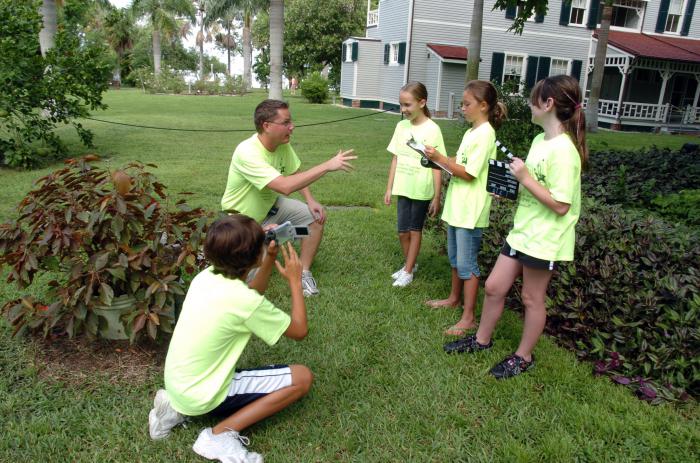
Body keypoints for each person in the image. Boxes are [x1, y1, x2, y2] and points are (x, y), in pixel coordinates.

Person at [444, 75, 588, 380]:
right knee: (495, 286)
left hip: (545, 238)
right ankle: (481, 339)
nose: (529, 104)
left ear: (548, 104)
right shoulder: (540, 141)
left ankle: (523, 357)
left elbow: (561, 204)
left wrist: (525, 179)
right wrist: (511, 186)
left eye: (535, 99)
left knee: (531, 299)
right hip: (523, 231)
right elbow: (534, 184)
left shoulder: (565, 152)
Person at [148, 214, 313, 462]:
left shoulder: (206, 277)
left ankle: (172, 411)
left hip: (178, 385)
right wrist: (295, 281)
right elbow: (299, 330)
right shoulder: (244, 302)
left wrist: (268, 256)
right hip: (205, 394)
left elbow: (252, 292)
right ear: (253, 255)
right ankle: (219, 436)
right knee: (302, 377)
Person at [221, 99, 356, 296]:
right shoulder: (247, 152)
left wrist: (310, 200)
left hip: (270, 208)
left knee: (314, 218)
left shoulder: (282, 144)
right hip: (241, 222)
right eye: (285, 123)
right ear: (266, 126)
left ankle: (303, 270)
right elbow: (285, 186)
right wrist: (327, 165)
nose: (291, 127)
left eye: (291, 122)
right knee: (248, 284)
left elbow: (294, 171)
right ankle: (259, 240)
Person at [423, 81, 506, 336]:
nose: (462, 108)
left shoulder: (485, 134)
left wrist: (439, 159)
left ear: (483, 106)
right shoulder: (471, 132)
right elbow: (458, 163)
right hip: (458, 206)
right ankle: (453, 299)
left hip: (471, 210)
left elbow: (469, 174)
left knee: (467, 264)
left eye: (466, 104)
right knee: (455, 259)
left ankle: (469, 317)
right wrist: (437, 159)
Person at [384, 81, 444, 288]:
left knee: (414, 229)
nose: (404, 110)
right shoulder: (401, 126)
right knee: (402, 231)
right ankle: (411, 263)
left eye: (408, 105)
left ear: (422, 102)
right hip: (403, 186)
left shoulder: (433, 129)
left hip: (421, 187)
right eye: (401, 105)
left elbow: (437, 164)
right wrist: (390, 187)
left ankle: (408, 271)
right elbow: (395, 158)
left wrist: (437, 196)